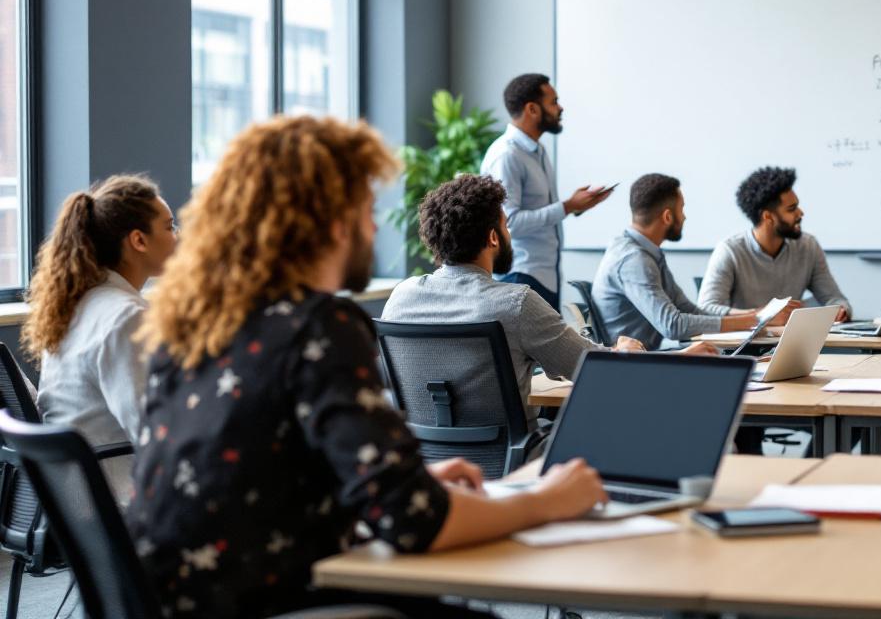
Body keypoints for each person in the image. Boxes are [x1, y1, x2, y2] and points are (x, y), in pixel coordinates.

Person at [129, 116, 607, 619]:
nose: (375, 226)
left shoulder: (191, 321)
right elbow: (413, 525)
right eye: (365, 207)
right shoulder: (318, 326)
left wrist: (406, 479)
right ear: (332, 220)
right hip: (275, 599)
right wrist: (545, 500)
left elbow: (260, 474)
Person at [381, 174, 717, 428]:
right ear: (493, 237)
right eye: (505, 224)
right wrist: (654, 355)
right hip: (516, 462)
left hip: (430, 465)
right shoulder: (516, 303)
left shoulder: (401, 299)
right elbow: (595, 368)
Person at [22, 175, 177, 501]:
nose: (178, 237)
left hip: (79, 499)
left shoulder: (78, 305)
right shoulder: (126, 317)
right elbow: (151, 430)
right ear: (139, 240)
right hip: (119, 497)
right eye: (169, 226)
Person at [593, 173, 775, 350]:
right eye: (682, 209)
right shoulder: (634, 260)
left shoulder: (646, 253)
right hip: (631, 365)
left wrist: (754, 316)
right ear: (667, 217)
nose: (685, 216)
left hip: (647, 357)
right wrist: (752, 321)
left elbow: (688, 310)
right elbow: (673, 325)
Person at [480, 73, 613, 310]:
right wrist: (567, 206)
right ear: (532, 109)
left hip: (545, 275)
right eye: (553, 102)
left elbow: (539, 212)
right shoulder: (507, 155)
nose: (560, 108)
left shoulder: (538, 151)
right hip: (521, 275)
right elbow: (510, 223)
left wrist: (576, 207)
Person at [698, 166, 849, 322]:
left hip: (792, 342)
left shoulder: (808, 246)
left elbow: (835, 298)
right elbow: (707, 309)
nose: (800, 213)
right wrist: (762, 314)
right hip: (742, 344)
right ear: (768, 217)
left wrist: (840, 309)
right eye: (792, 209)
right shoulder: (730, 251)